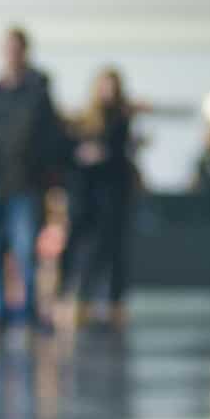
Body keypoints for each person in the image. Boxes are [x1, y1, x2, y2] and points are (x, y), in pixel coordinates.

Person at [0, 28, 61, 331]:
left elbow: (50, 138)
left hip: (24, 183)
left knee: (25, 248)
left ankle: (30, 309)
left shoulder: (37, 92)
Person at [57, 67, 136, 329]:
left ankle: (111, 304)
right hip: (84, 197)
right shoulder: (83, 120)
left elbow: (115, 155)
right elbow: (70, 152)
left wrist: (100, 155)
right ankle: (74, 301)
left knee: (110, 251)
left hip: (111, 197)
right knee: (78, 248)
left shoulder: (121, 120)